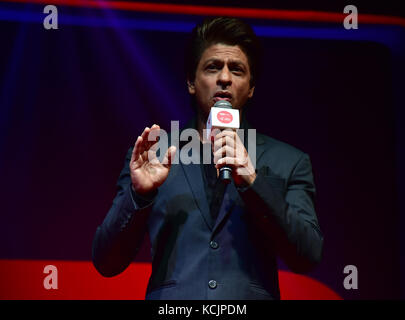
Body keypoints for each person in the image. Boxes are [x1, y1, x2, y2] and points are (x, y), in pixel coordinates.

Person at [92, 17, 323, 300]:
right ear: (191, 82)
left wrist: (253, 181)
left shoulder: (288, 160)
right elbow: (106, 262)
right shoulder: (156, 153)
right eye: (213, 67)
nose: (224, 78)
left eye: (236, 70)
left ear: (250, 88)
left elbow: (308, 254)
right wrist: (139, 195)